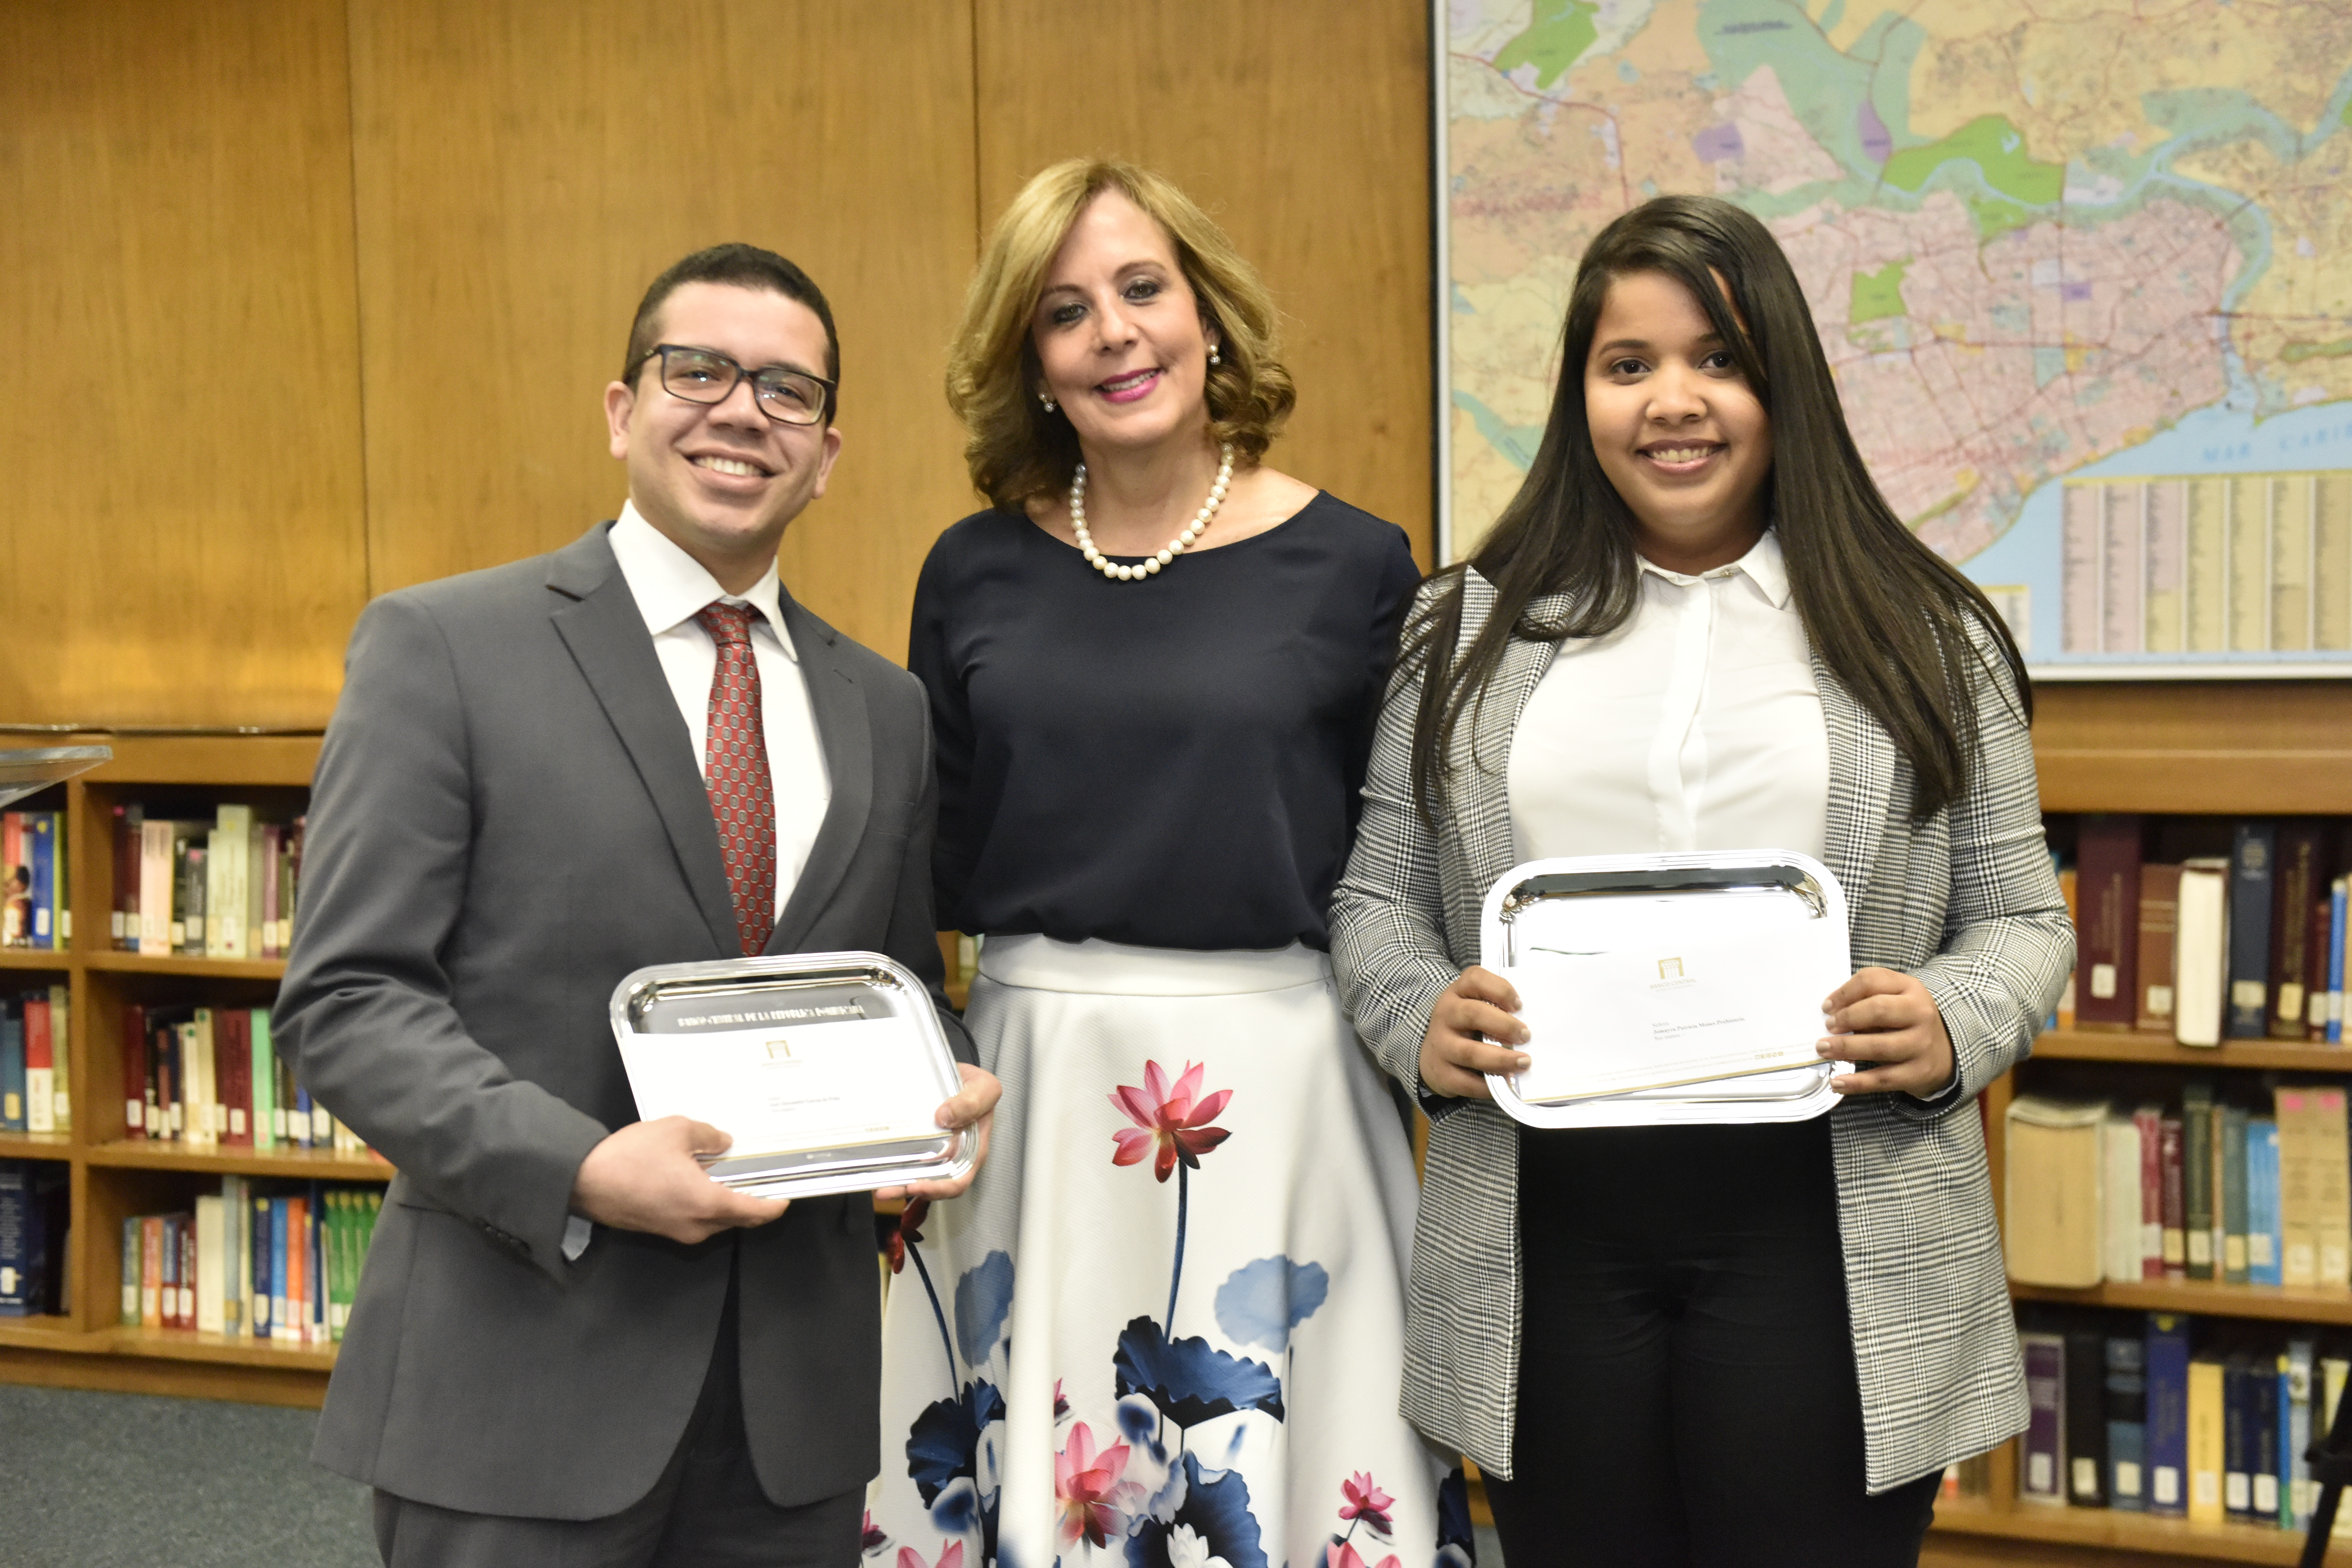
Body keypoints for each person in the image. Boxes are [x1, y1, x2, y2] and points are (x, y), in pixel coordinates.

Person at [1329, 195, 2074, 1567]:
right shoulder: (1460, 630)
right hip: (1544, 1241)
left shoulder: (1928, 629)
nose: (1674, 401)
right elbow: (1377, 899)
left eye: (1719, 359)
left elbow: (2023, 920)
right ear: (1583, 396)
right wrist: (1420, 1016)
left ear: (1784, 383)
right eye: (1630, 365)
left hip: (1835, 1229)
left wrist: (1951, 1019)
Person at [275, 243, 1001, 1568]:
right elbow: (349, 1000)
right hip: (521, 1384)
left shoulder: (886, 708)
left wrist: (940, 1083)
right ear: (623, 412)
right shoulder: (445, 648)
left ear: (827, 454)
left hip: (791, 1409)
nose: (742, 411)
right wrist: (581, 1169)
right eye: (698, 371)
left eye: (787, 390)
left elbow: (893, 980)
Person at [870, 160, 1467, 1568]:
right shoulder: (969, 569)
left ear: (1209, 315)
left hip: (1287, 1089)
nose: (1114, 333)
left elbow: (1404, 865)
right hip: (1034, 1089)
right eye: (1065, 311)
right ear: (1032, 360)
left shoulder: (1360, 564)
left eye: (1143, 288)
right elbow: (921, 866)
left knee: (1277, 1476)